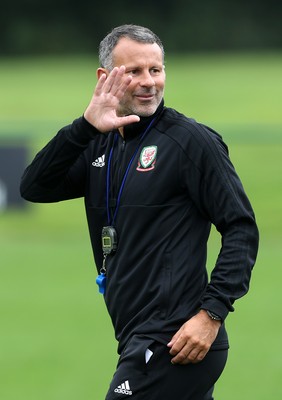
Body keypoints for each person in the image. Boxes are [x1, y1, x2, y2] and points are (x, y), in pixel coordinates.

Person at [20, 24, 259, 399]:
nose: (149, 82)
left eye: (156, 70)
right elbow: (34, 187)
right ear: (105, 77)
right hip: (134, 334)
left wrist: (211, 314)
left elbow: (241, 228)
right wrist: (83, 128)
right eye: (134, 71)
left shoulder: (191, 142)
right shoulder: (98, 142)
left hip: (175, 339)